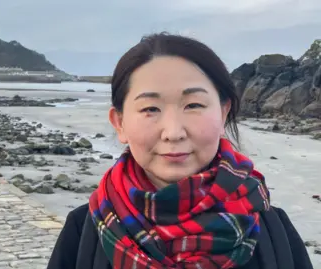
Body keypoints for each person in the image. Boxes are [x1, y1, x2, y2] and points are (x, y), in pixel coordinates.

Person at [47, 32, 314, 269]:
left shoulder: (272, 228)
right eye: (150, 109)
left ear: (223, 114)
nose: (173, 132)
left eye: (193, 105)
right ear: (120, 123)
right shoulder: (85, 229)